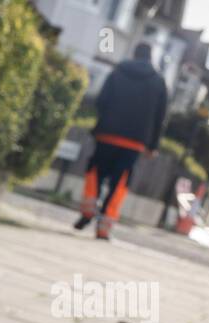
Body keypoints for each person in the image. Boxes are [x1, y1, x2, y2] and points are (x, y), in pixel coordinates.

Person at [75, 43, 168, 240]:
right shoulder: (159, 82)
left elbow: (101, 101)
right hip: (134, 142)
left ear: (134, 55)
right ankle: (104, 227)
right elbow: (160, 118)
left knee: (95, 172)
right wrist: (152, 146)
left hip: (107, 134)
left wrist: (105, 121)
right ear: (151, 58)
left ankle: (88, 210)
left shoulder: (117, 72)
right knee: (120, 183)